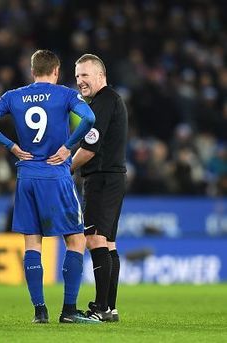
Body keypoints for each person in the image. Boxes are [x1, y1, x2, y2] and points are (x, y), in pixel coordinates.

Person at [0, 50, 99, 324]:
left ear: (33, 72)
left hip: (26, 176)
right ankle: (68, 311)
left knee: (32, 241)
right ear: (56, 71)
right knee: (75, 239)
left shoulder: (14, 96)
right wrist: (68, 147)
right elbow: (89, 118)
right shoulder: (65, 94)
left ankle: (39, 311)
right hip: (56, 174)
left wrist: (11, 146)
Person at [71, 54, 128, 322]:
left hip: (102, 178)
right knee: (109, 243)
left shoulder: (104, 101)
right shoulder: (109, 100)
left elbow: (90, 148)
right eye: (77, 75)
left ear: (100, 76)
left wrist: (66, 166)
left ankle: (101, 308)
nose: (80, 81)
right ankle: (110, 307)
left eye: (85, 75)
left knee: (94, 239)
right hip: (113, 178)